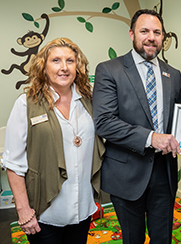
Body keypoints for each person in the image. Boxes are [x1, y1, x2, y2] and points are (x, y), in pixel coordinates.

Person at [92, 9, 181, 244]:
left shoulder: (173, 75)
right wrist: (151, 138)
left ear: (163, 37)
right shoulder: (109, 70)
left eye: (157, 32)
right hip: (126, 173)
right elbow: (104, 122)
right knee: (132, 239)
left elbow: (177, 122)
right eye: (144, 31)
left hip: (165, 172)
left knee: (162, 237)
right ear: (132, 34)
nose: (151, 37)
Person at [2, 37, 105, 244]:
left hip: (82, 209)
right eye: (56, 60)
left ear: (78, 66)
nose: (64, 67)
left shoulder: (89, 101)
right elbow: (13, 162)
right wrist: (24, 211)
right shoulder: (26, 104)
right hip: (45, 212)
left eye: (70, 61)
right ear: (43, 66)